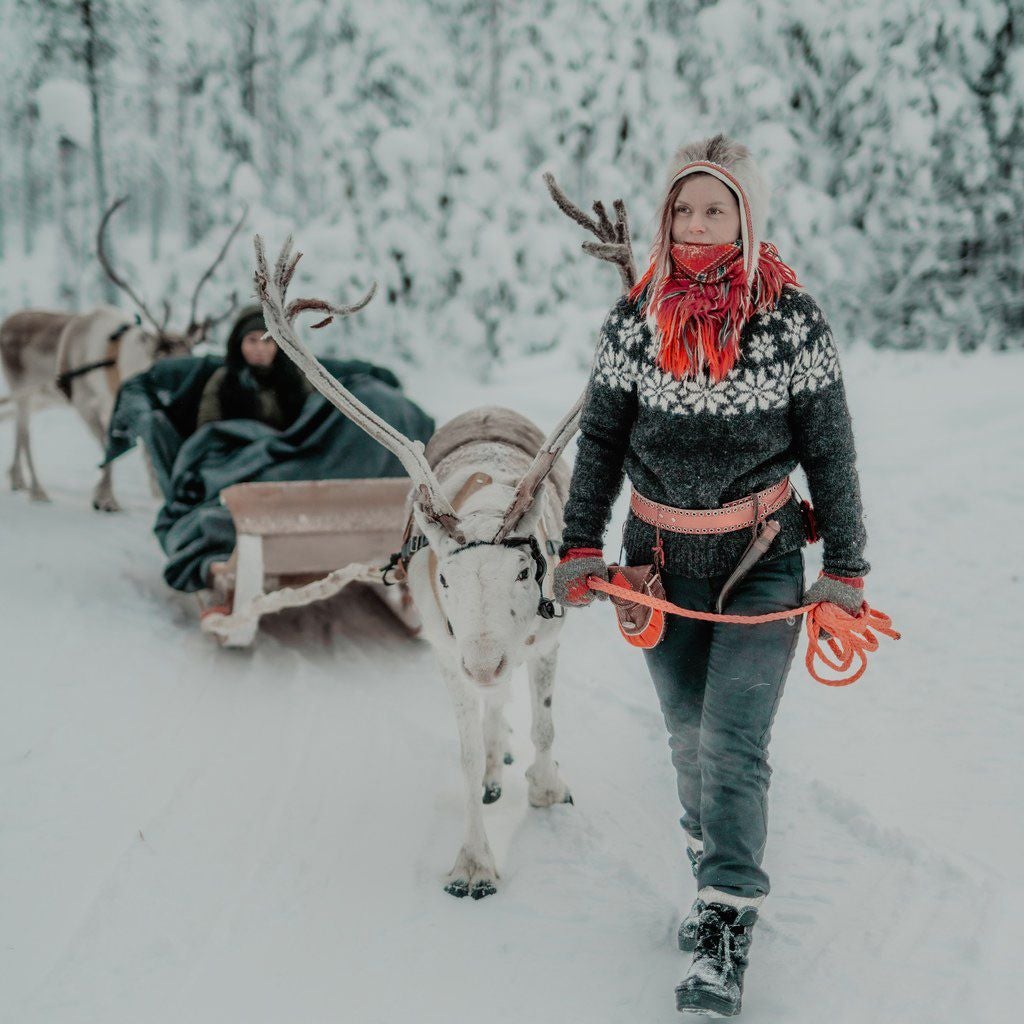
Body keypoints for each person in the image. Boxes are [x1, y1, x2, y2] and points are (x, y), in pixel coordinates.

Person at [553, 135, 869, 1017]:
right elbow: (605, 442)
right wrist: (583, 546)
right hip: (656, 565)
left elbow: (830, 447)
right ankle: (710, 870)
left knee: (733, 746)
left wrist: (844, 565)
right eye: (685, 208)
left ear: (746, 216)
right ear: (667, 215)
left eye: (716, 208)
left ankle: (727, 923)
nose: (697, 224)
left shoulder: (791, 318)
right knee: (688, 739)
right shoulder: (635, 317)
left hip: (762, 560)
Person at [196, 305, 310, 431]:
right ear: (240, 344)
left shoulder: (295, 376)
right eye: (252, 340)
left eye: (267, 341)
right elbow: (207, 430)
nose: (260, 349)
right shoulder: (224, 379)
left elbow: (313, 419)